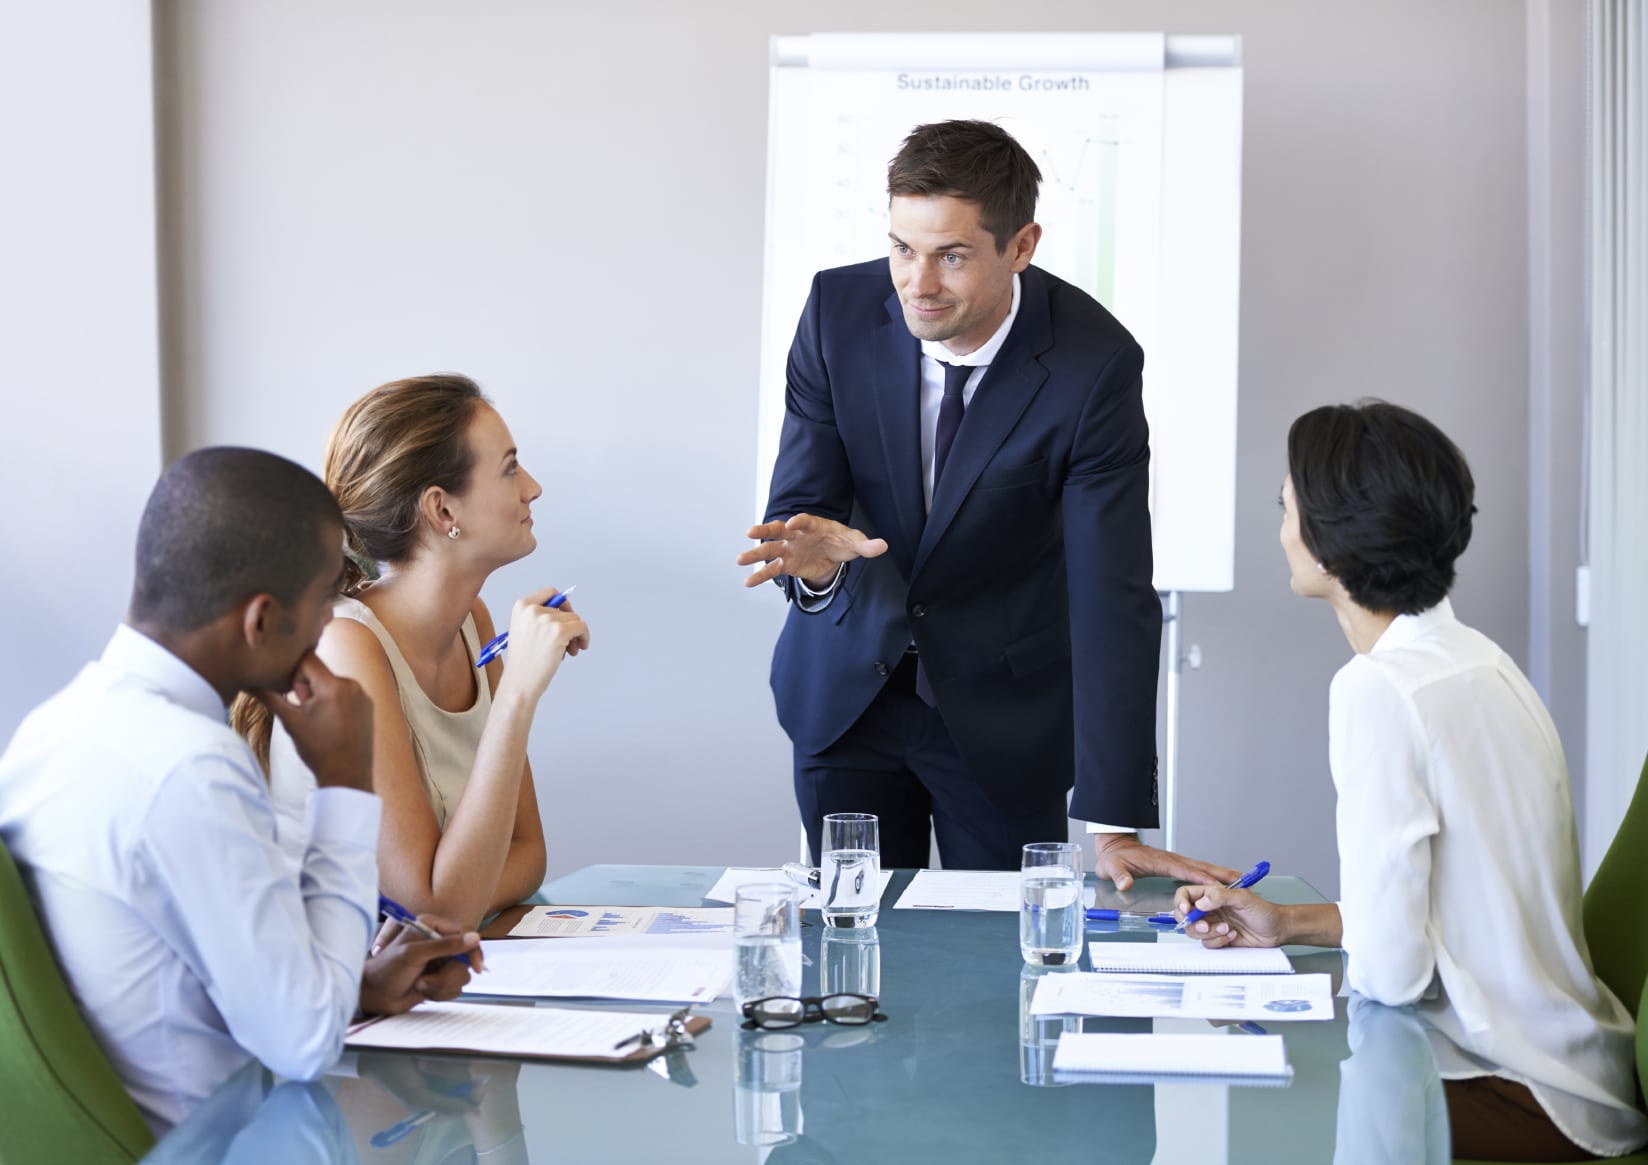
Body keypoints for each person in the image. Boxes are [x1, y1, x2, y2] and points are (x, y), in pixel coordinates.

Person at [737, 118, 1234, 882]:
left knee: (1001, 969)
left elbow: (1112, 595)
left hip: (1005, 721)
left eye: (952, 256)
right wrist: (815, 568)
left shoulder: (1092, 366)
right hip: (846, 695)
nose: (917, 282)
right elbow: (804, 513)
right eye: (902, 248)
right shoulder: (837, 313)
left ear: (1021, 247)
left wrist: (1112, 822)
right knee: (850, 959)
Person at [1173, 401, 1648, 1161]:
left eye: (1286, 507)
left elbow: (1393, 974)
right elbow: (1452, 913)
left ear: (1330, 541)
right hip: (1578, 1075)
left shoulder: (1378, 690)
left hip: (1516, 1090)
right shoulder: (1479, 660)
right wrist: (1290, 923)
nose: (1281, 527)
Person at [0, 448, 479, 1134]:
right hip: (232, 1141)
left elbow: (219, 966)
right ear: (259, 622)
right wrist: (344, 782)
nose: (328, 626)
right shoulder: (188, 768)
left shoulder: (54, 727)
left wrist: (357, 983)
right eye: (323, 602)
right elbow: (305, 1040)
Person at [236, 375, 587, 929]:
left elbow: (528, 855)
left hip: (449, 976)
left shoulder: (473, 622)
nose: (533, 488)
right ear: (442, 511)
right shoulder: (346, 648)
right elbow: (432, 910)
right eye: (511, 468)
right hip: (353, 1003)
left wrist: (454, 894)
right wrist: (518, 692)